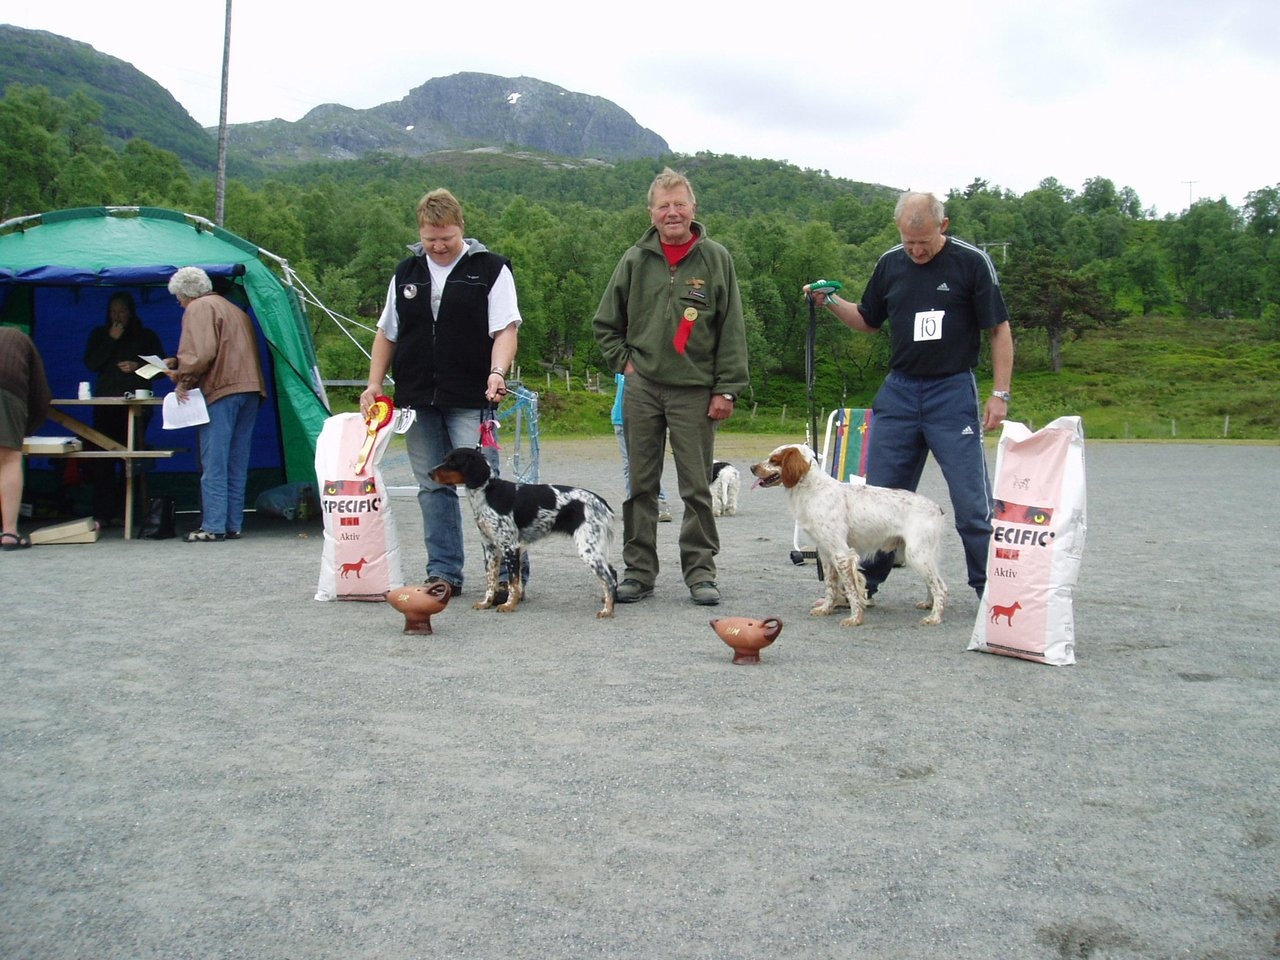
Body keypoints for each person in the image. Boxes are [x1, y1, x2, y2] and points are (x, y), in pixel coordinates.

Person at [806, 191, 1014, 598]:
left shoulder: (972, 262)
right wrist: (829, 301)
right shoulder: (890, 263)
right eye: (908, 242)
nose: (916, 251)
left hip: (952, 390)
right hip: (900, 390)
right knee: (877, 500)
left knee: (971, 502)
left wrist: (1000, 393)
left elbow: (999, 330)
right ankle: (864, 587)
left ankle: (990, 593)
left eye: (924, 242)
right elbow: (867, 321)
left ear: (944, 226)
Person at [593, 167, 750, 606]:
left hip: (697, 391)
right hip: (642, 388)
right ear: (651, 212)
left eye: (679, 204)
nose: (672, 212)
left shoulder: (716, 258)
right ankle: (638, 573)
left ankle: (701, 572)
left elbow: (732, 330)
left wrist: (727, 389)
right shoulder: (634, 259)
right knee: (640, 486)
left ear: (693, 208)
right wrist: (624, 364)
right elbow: (606, 323)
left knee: (696, 487)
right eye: (664, 206)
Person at [360, 187, 521, 598]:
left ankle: (506, 574)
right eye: (430, 239)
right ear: (420, 232)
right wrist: (374, 383)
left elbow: (505, 328)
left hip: (472, 396)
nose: (438, 246)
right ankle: (444, 572)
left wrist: (497, 372)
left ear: (461, 228)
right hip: (417, 398)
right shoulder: (406, 272)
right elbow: (386, 333)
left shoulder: (491, 269)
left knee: (487, 486)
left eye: (446, 238)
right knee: (432, 486)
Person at [165, 267, 267, 542]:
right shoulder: (234, 309)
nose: (179, 303)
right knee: (237, 460)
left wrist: (183, 380)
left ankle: (212, 526)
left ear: (188, 293)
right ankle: (233, 523)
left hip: (221, 391)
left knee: (214, 461)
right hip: (249, 389)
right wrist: (178, 362)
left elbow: (200, 354)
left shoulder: (199, 308)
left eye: (179, 297)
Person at [82, 292, 165, 527]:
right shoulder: (100, 334)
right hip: (106, 405)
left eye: (122, 311)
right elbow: (91, 363)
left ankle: (126, 511)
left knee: (131, 458)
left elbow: (162, 369)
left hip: (137, 406)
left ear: (130, 312)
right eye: (113, 312)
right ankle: (103, 513)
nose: (117, 316)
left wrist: (137, 366)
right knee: (104, 459)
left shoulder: (146, 336)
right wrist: (110, 339)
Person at [0, 326, 52, 551]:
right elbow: (41, 397)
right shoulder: (22, 341)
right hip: (7, 390)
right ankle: (10, 533)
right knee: (9, 459)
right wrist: (23, 431)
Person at [611, 373, 672, 523]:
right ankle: (637, 501)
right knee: (631, 464)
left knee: (648, 461)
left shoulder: (645, 368)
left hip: (642, 417)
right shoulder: (623, 368)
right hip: (620, 419)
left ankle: (658, 500)